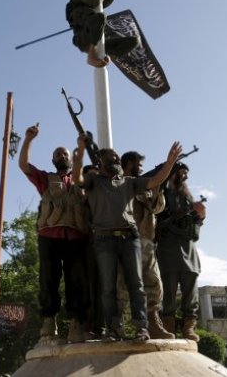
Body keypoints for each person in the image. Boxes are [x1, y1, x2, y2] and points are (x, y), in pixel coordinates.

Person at [72, 137, 182, 341]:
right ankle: (114, 329)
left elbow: (155, 181)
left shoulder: (129, 182)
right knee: (108, 287)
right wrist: (79, 151)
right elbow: (77, 177)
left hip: (129, 238)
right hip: (104, 240)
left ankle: (142, 328)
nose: (115, 159)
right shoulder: (93, 181)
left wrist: (170, 162)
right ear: (101, 161)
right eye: (111, 157)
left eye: (117, 157)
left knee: (137, 284)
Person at [18, 123, 90, 343]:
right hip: (49, 236)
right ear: (53, 160)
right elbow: (24, 165)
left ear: (70, 157)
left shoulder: (83, 178)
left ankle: (76, 323)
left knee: (75, 281)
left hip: (76, 237)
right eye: (57, 153)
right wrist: (28, 139)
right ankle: (49, 321)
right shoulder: (46, 179)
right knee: (48, 280)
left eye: (64, 153)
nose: (61, 155)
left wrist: (81, 147)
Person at [115, 151, 175, 339]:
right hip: (123, 239)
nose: (141, 169)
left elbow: (158, 208)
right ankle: (117, 326)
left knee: (152, 280)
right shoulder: (117, 184)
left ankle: (152, 322)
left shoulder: (146, 185)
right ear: (128, 165)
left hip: (145, 239)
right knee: (121, 283)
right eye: (138, 165)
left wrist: (158, 186)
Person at [156, 162, 206, 342]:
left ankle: (189, 328)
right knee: (168, 295)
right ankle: (168, 326)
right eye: (181, 174)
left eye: (186, 175)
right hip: (167, 252)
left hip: (189, 253)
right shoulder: (160, 195)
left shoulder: (188, 199)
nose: (184, 178)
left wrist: (200, 217)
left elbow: (195, 230)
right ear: (171, 174)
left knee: (190, 294)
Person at [66, 0, 138, 68]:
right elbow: (96, 1)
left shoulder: (89, 2)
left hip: (97, 37)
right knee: (100, 17)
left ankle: (108, 59)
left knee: (134, 41)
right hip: (83, 37)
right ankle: (91, 56)